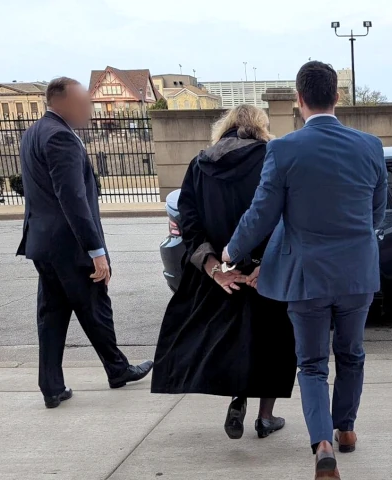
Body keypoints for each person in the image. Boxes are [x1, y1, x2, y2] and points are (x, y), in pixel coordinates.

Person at [222, 61, 387, 479]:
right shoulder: (371, 146)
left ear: (299, 99)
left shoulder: (284, 150)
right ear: (337, 96)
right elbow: (377, 213)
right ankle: (346, 428)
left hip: (307, 276)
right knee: (351, 355)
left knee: (312, 364)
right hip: (357, 274)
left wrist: (231, 250)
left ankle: (323, 446)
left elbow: (262, 213)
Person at [151, 105, 297, 440]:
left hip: (221, 272)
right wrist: (266, 264)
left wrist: (214, 268)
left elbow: (189, 222)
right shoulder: (271, 158)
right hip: (264, 269)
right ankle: (265, 417)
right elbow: (284, 215)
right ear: (260, 127)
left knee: (231, 340)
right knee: (273, 343)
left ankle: (237, 399)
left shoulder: (200, 164)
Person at [17, 77, 153, 408]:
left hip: (43, 244)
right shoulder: (60, 137)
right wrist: (96, 251)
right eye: (83, 103)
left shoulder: (35, 132)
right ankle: (117, 370)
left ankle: (52, 386)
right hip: (70, 246)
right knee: (95, 307)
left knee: (52, 316)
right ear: (61, 102)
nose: (89, 109)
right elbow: (73, 199)